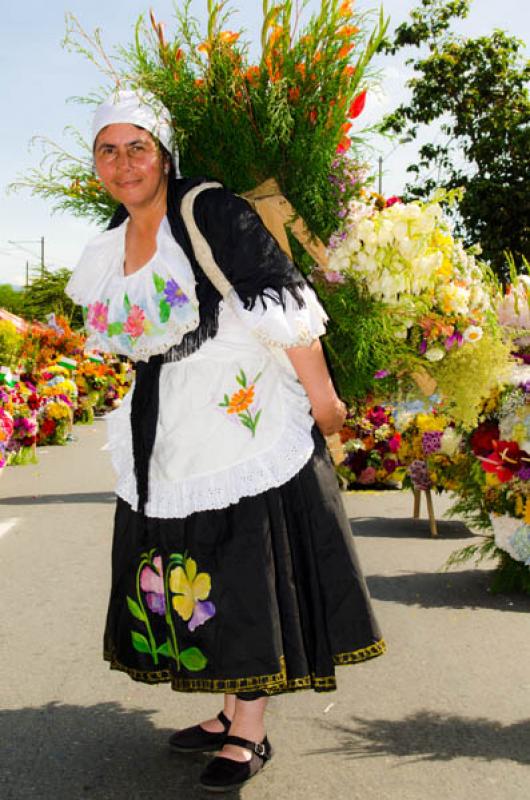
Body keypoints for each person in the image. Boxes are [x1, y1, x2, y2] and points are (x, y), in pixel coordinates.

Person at [66, 88, 385, 793]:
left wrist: (325, 399)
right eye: (108, 150)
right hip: (172, 424)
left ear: (164, 152)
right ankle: (227, 707)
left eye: (137, 147)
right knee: (195, 563)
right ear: (95, 164)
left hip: (245, 419)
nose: (124, 164)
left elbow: (281, 298)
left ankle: (249, 731)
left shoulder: (208, 208)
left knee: (245, 564)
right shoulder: (110, 244)